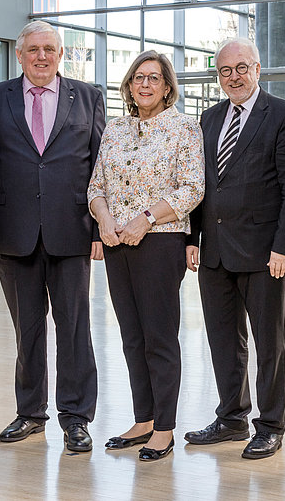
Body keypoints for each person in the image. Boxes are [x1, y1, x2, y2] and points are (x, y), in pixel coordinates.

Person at [0, 21, 104, 452]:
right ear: (20, 55)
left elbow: (99, 170)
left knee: (74, 328)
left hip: (72, 233)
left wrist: (99, 230)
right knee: (26, 329)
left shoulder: (88, 97)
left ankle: (76, 417)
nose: (42, 56)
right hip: (16, 236)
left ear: (61, 54)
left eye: (50, 49)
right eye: (33, 49)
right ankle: (30, 413)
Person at [184, 38, 285, 459]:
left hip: (265, 254)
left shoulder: (283, 116)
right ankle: (232, 417)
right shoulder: (209, 118)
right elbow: (200, 187)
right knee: (224, 340)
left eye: (241, 68)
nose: (234, 76)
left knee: (269, 343)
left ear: (258, 69)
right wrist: (192, 238)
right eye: (225, 71)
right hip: (215, 253)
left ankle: (271, 425)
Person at [88, 50, 204, 462]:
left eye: (154, 78)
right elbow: (96, 185)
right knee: (131, 336)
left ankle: (166, 427)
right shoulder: (115, 130)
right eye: (139, 78)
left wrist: (145, 218)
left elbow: (192, 189)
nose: (145, 85)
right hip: (118, 243)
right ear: (130, 86)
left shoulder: (184, 129)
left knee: (159, 337)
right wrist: (103, 219)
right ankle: (144, 418)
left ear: (168, 86)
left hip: (159, 243)